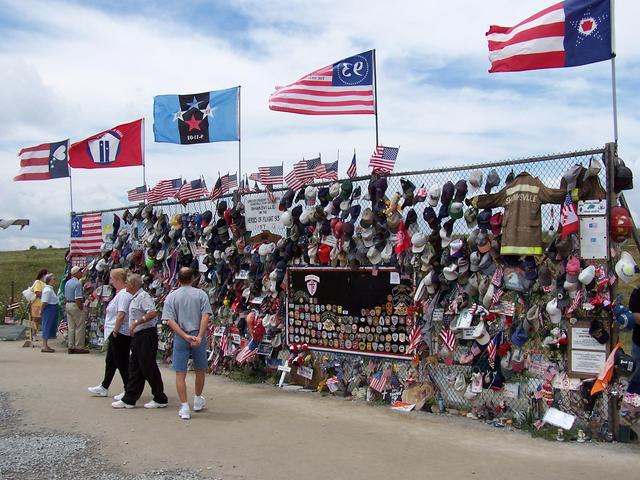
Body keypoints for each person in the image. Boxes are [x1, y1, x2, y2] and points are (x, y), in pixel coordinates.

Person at [112, 273, 168, 409]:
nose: (125, 285)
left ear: (132, 284)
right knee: (135, 367)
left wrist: (137, 322)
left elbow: (152, 312)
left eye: (126, 283)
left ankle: (160, 397)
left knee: (148, 366)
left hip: (146, 335)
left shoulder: (143, 297)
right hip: (138, 336)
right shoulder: (134, 297)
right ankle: (129, 398)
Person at [162, 267, 212, 420]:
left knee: (180, 372)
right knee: (200, 369)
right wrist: (199, 335)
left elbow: (169, 320)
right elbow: (205, 316)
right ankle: (197, 399)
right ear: (193, 279)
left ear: (178, 279)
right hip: (197, 334)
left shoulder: (172, 297)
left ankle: (184, 406)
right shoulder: (201, 294)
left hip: (181, 335)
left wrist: (183, 335)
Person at [88, 268, 132, 399]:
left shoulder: (124, 294)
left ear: (118, 280)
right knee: (111, 361)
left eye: (112, 279)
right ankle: (104, 386)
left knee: (121, 362)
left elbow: (121, 314)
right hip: (115, 332)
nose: (110, 281)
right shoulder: (120, 293)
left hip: (119, 332)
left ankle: (128, 389)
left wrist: (115, 330)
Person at [64, 266, 89, 354]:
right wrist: (81, 308)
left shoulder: (67, 283)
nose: (81, 273)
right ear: (76, 273)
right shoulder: (77, 284)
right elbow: (78, 298)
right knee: (79, 326)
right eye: (80, 271)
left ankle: (70, 346)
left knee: (71, 327)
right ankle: (79, 347)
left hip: (68, 304)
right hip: (75, 305)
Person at [40, 273, 59, 353]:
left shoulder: (49, 289)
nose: (55, 281)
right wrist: (41, 311)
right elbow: (44, 302)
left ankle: (46, 345)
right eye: (53, 279)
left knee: (49, 325)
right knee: (47, 326)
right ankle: (44, 346)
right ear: (49, 281)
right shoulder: (47, 290)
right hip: (49, 309)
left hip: (51, 309)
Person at [29, 269, 48, 341]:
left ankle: (36, 333)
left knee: (39, 320)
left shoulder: (44, 283)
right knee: (36, 320)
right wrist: (46, 296)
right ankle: (34, 334)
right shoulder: (38, 283)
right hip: (37, 304)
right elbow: (37, 292)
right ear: (43, 275)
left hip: (42, 304)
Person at [627, 287, 640, 394]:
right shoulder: (637, 292)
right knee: (637, 378)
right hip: (639, 343)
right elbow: (634, 316)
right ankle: (630, 406)